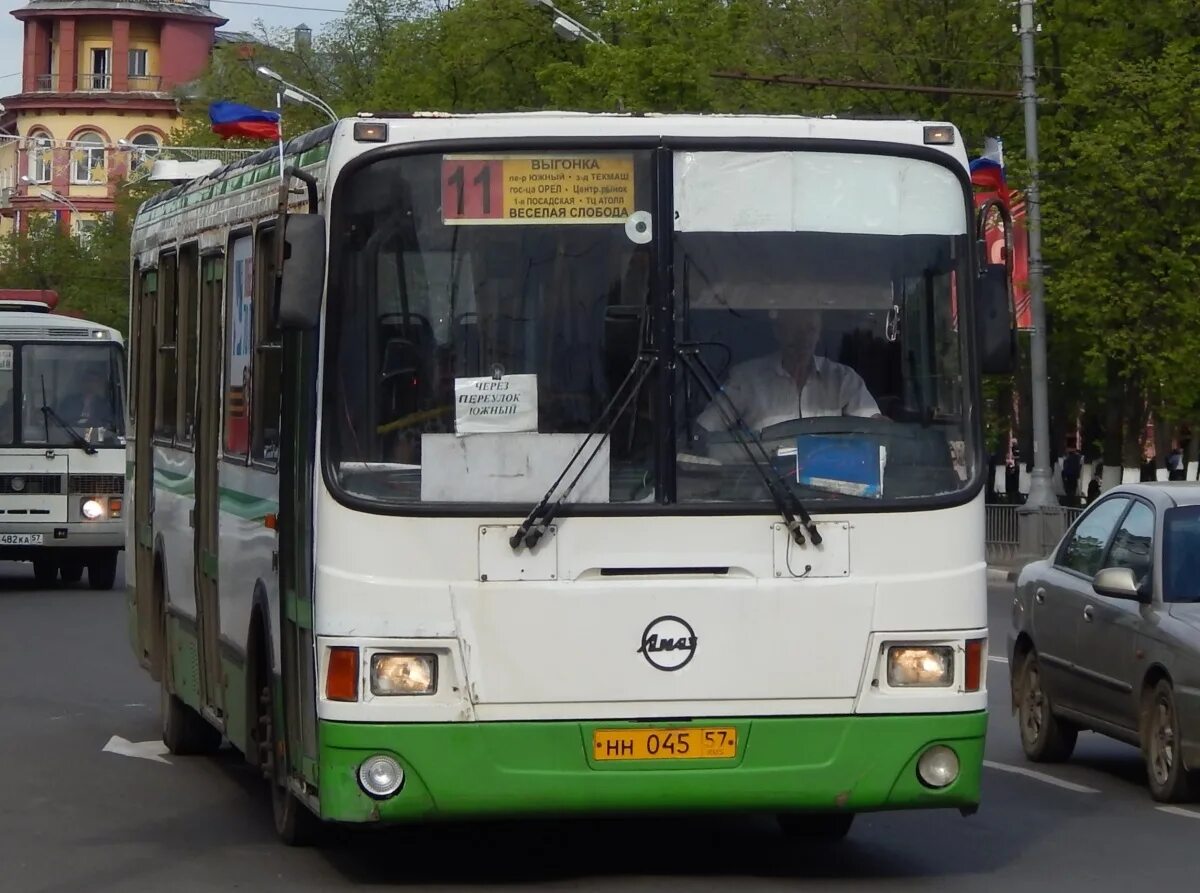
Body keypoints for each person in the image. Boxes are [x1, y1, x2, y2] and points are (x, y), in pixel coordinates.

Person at [696, 309, 880, 434]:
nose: (803, 338)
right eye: (795, 330)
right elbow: (705, 430)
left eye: (810, 330)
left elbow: (876, 428)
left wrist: (886, 429)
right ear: (778, 332)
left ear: (819, 333)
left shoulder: (843, 378)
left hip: (829, 486)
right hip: (762, 487)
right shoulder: (746, 378)